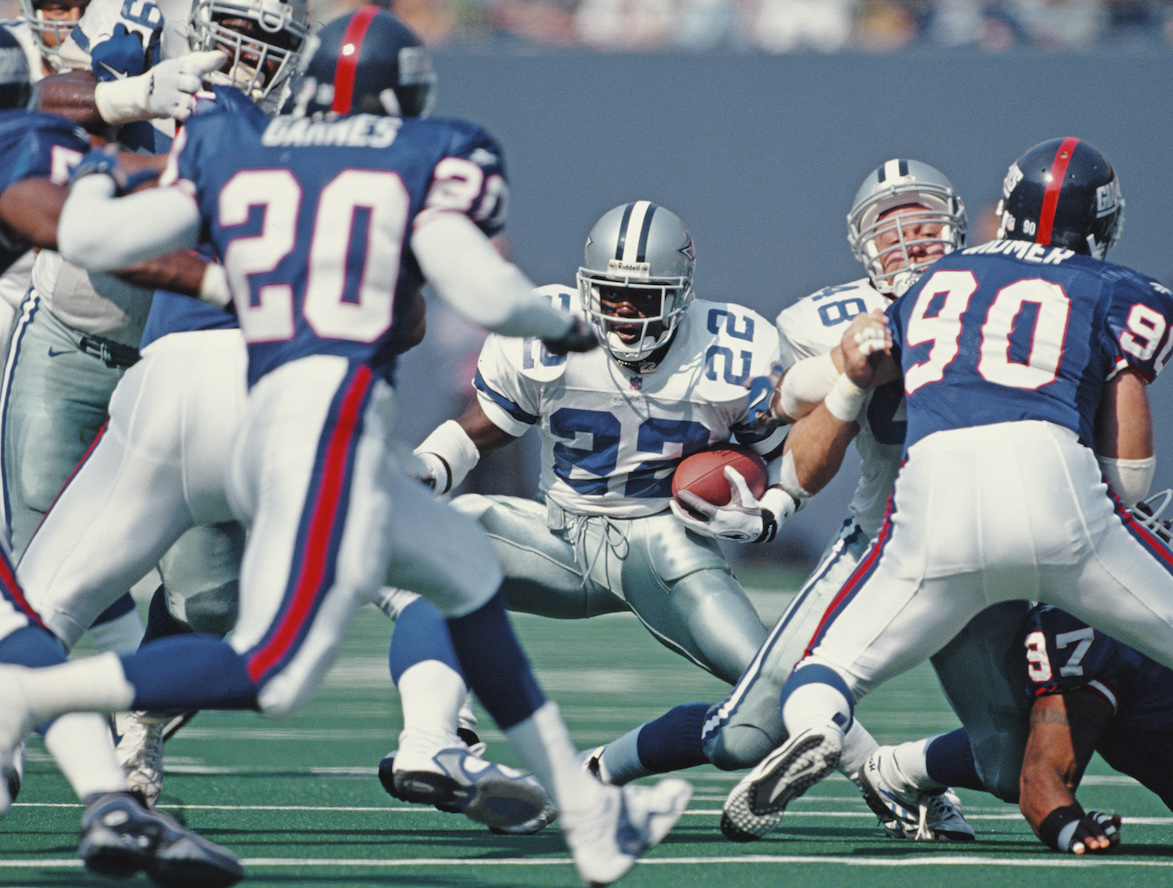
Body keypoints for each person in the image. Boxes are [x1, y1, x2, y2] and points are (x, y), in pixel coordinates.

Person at [36, 9, 692, 886]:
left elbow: (91, 241)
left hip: (165, 383)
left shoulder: (228, 135)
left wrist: (93, 178)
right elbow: (472, 286)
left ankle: (565, 807)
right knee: (282, 659)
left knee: (49, 602)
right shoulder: (424, 158)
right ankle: (34, 696)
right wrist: (551, 319)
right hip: (296, 405)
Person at [719, 136, 1173, 846]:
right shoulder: (1120, 289)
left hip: (931, 499)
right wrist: (1118, 517)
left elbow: (842, 373)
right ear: (1102, 224)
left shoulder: (938, 283)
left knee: (827, 667)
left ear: (1002, 211)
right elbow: (1128, 463)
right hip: (1053, 487)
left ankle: (820, 730)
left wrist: (781, 407)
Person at [583, 161, 980, 843]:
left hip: (992, 537)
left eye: (924, 228)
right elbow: (787, 413)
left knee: (1021, 755)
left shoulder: (999, 295)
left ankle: (897, 770)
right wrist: (778, 497)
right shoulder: (820, 320)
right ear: (863, 245)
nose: (910, 247)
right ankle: (597, 769)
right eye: (892, 232)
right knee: (741, 736)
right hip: (883, 536)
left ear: (957, 230)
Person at [0, 27, 244, 886]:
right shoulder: (20, 147)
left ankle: (108, 802)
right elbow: (79, 225)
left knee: (27, 621)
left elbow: (115, 175)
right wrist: (217, 280)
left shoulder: (35, 139)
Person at [403, 200, 793, 694]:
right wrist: (429, 468)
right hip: (560, 540)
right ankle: (440, 734)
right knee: (422, 547)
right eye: (610, 295)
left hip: (669, 549)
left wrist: (769, 514)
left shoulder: (735, 350)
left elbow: (786, 450)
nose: (625, 310)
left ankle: (610, 764)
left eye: (644, 298)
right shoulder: (550, 330)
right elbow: (485, 425)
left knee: (771, 690)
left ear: (681, 295)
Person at [865, 489, 1173, 853]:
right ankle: (900, 766)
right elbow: (1042, 779)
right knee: (1009, 766)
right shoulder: (1115, 621)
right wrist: (1066, 824)